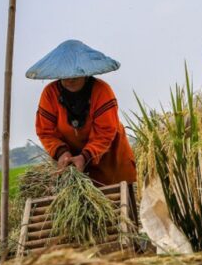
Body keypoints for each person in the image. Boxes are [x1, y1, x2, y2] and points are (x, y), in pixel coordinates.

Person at [26, 40, 136, 185]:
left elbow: (105, 132)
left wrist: (85, 157)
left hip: (112, 161)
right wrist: (62, 153)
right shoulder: (50, 95)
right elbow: (46, 131)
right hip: (74, 166)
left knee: (121, 201)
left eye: (75, 74)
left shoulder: (102, 92)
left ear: (85, 71)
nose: (70, 78)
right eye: (66, 74)